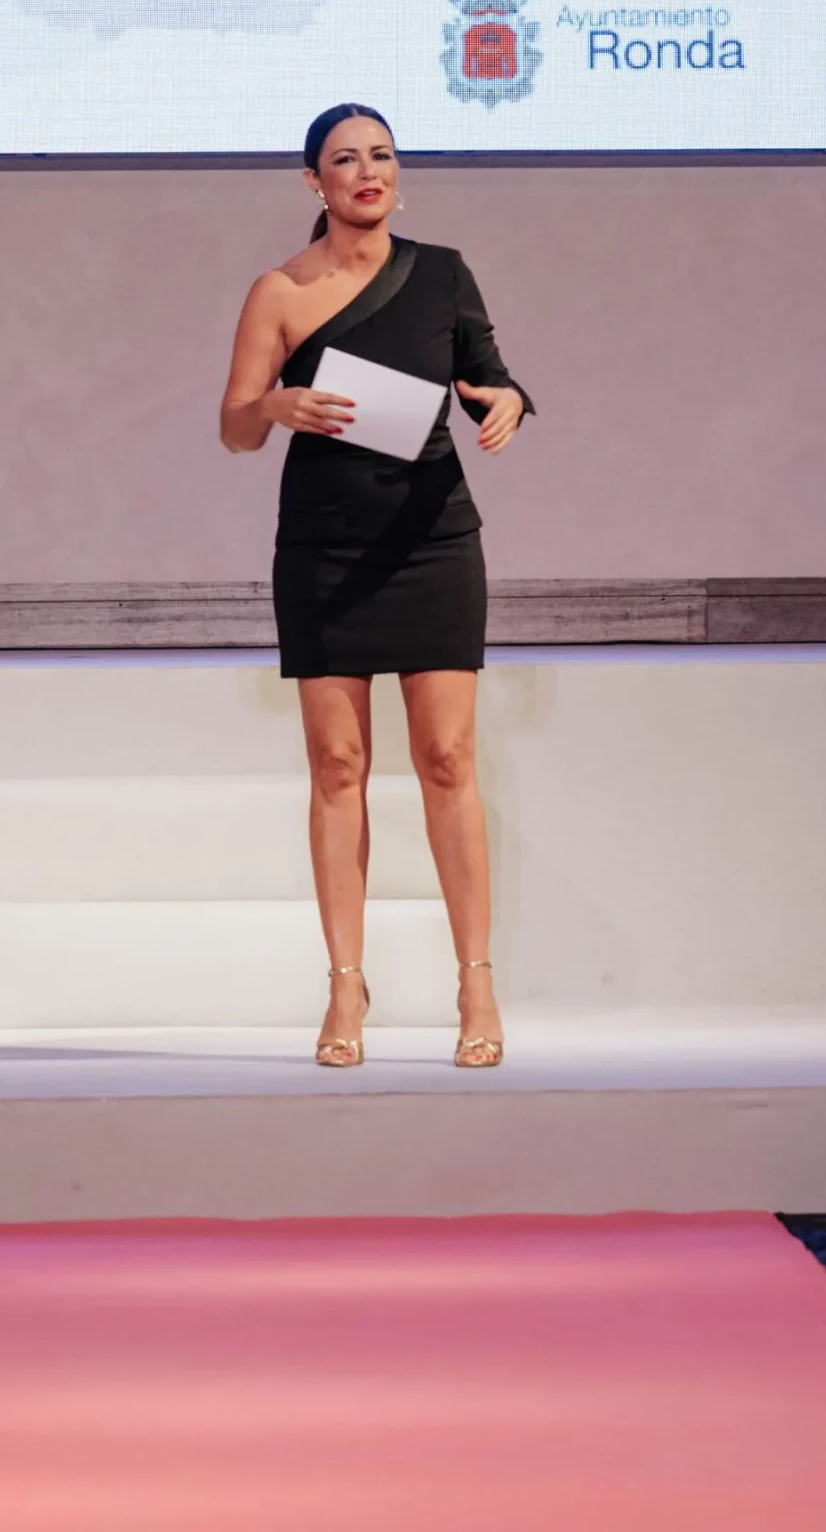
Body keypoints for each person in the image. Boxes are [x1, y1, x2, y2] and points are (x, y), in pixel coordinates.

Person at [219, 104, 530, 1071]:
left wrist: (509, 400)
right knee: (337, 765)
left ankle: (474, 980)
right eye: (345, 159)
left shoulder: (441, 272)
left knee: (446, 758)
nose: (368, 172)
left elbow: (491, 377)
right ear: (312, 181)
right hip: (326, 548)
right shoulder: (278, 291)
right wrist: (275, 404)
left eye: (381, 156)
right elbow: (234, 427)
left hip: (432, 538)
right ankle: (345, 985)